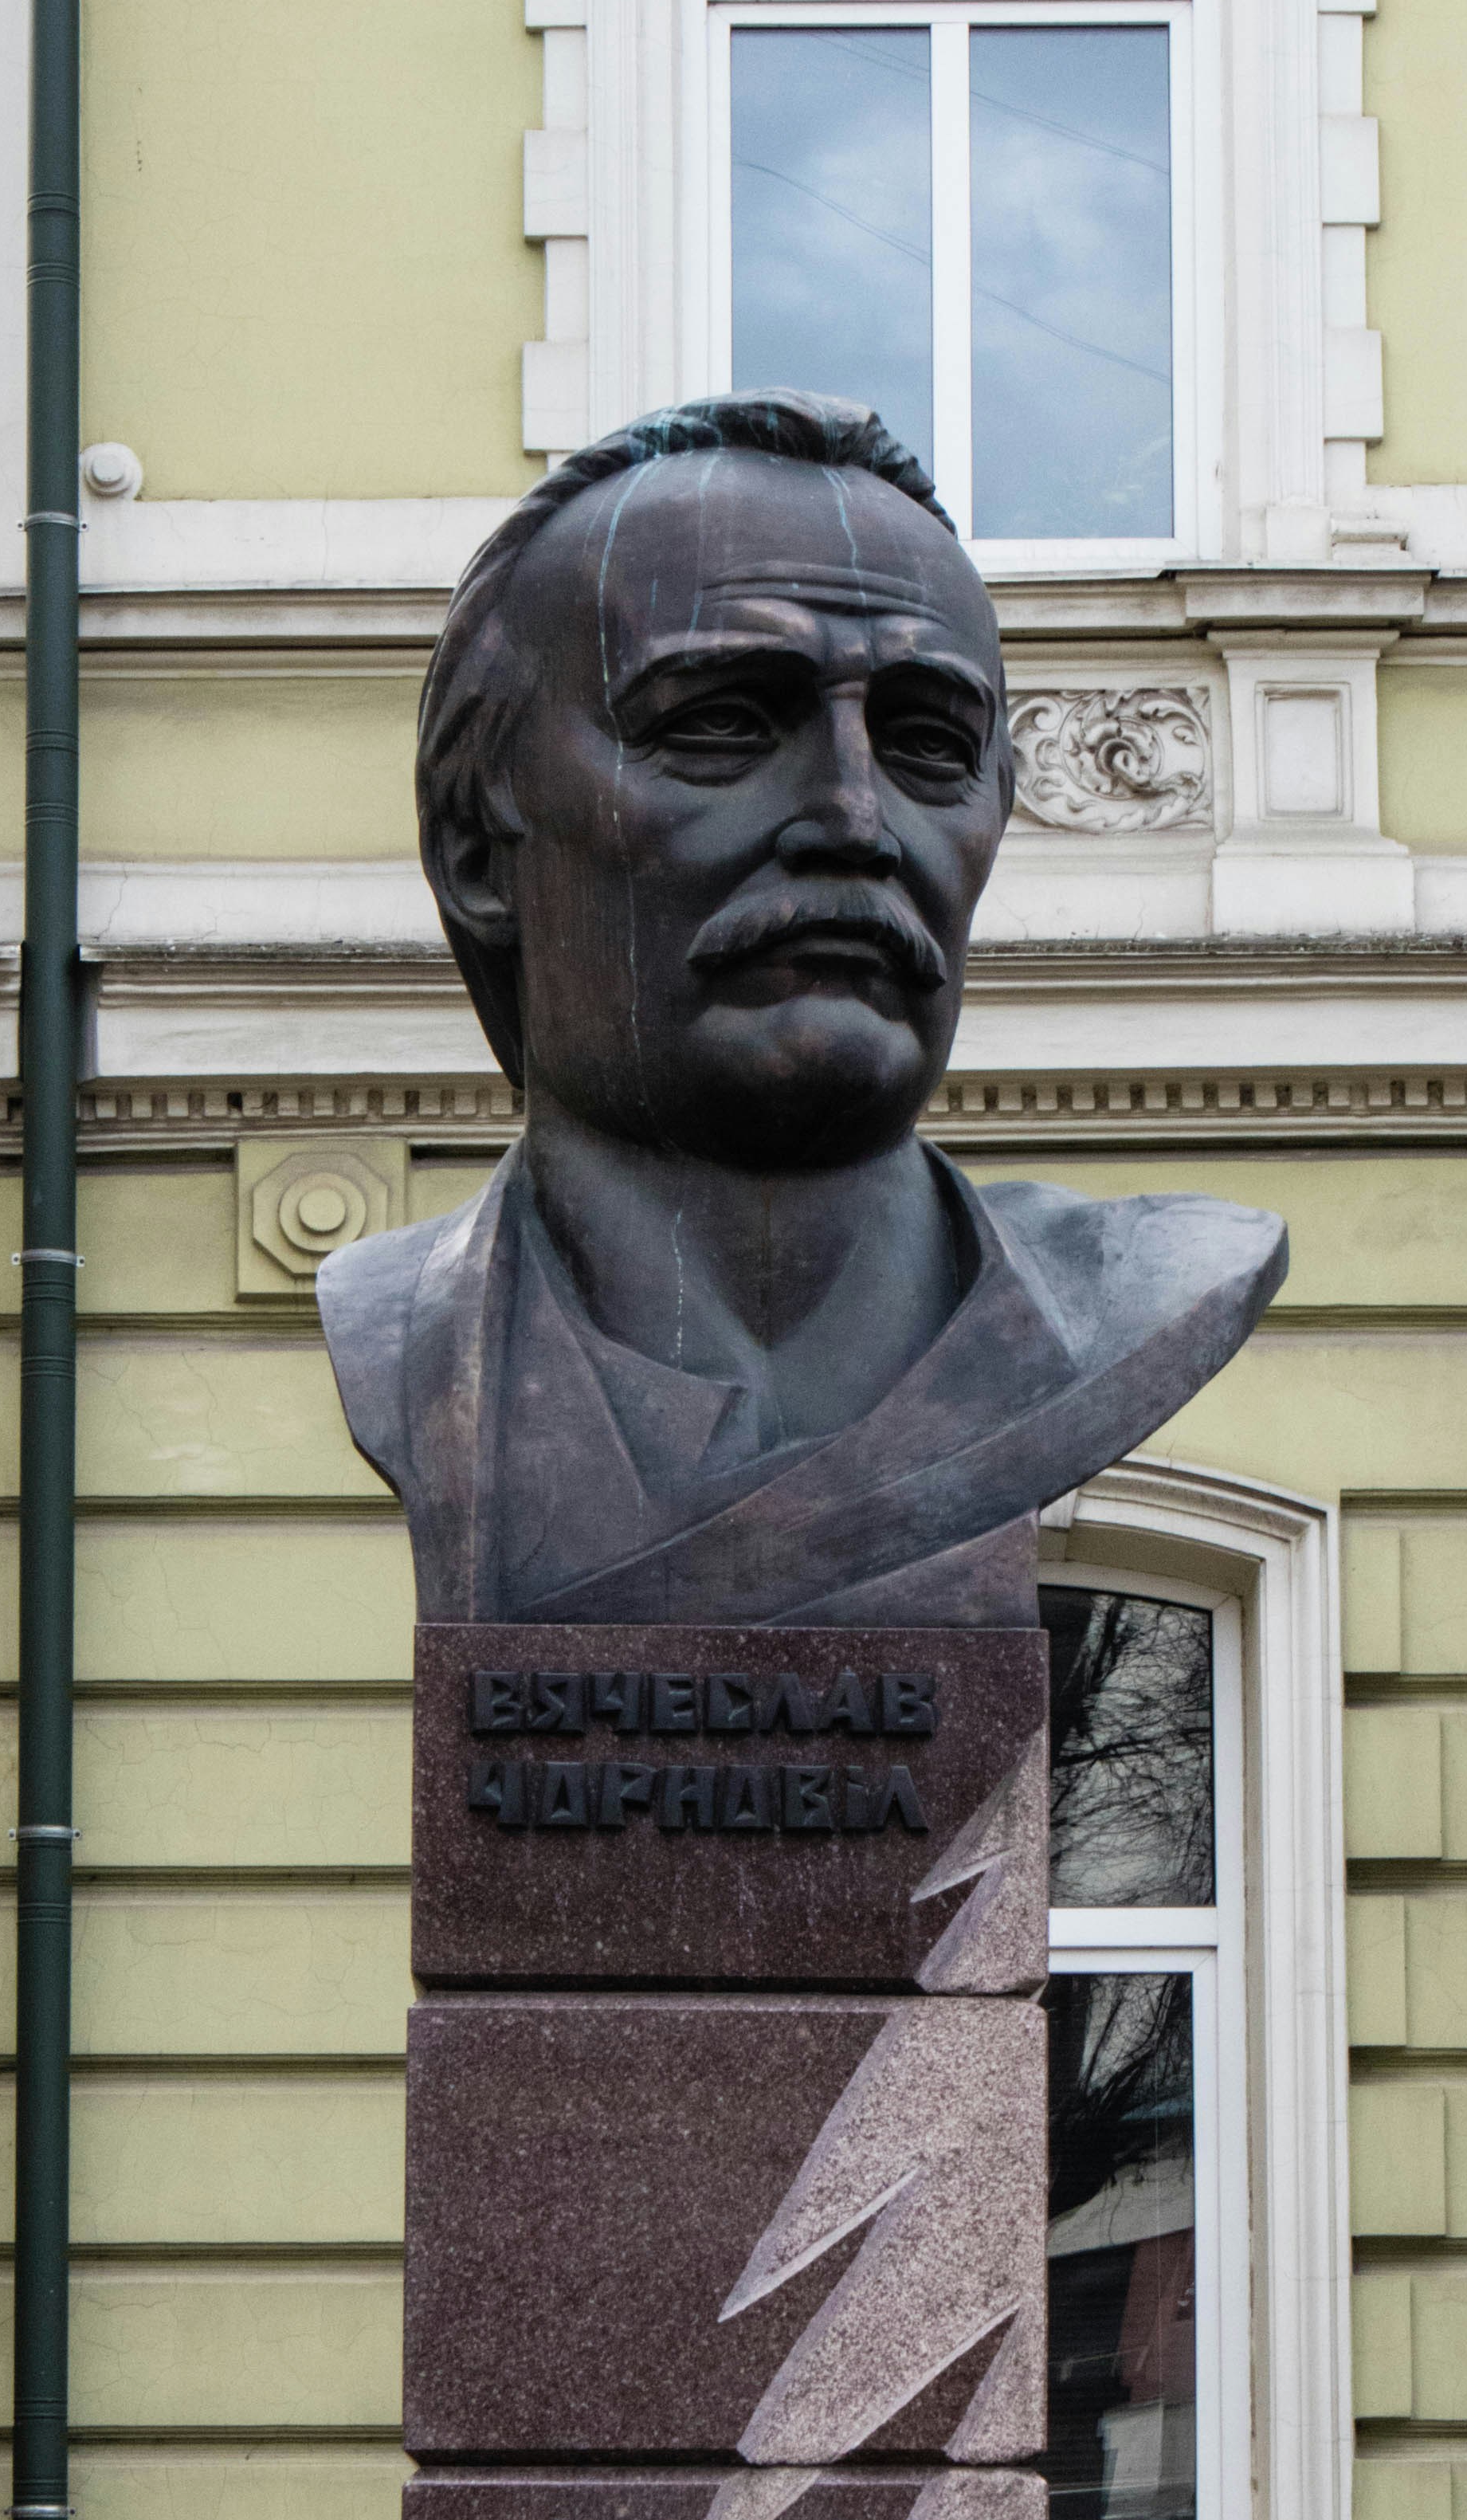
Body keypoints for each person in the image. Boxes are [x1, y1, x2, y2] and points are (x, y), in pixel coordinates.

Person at [320, 392, 1285, 1624]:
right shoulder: (412, 1341)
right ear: (474, 849)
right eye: (719, 724)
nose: (854, 818)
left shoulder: (1142, 1294)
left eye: (928, 744)